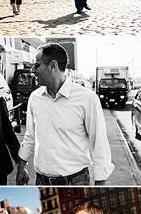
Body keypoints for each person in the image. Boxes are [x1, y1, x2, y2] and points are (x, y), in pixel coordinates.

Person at [16, 43, 114, 186]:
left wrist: (100, 183)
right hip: (41, 181)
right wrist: (21, 165)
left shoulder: (87, 99)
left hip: (76, 182)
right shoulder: (35, 98)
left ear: (53, 66)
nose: (32, 71)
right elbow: (31, 136)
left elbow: (99, 143)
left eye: (37, 66)